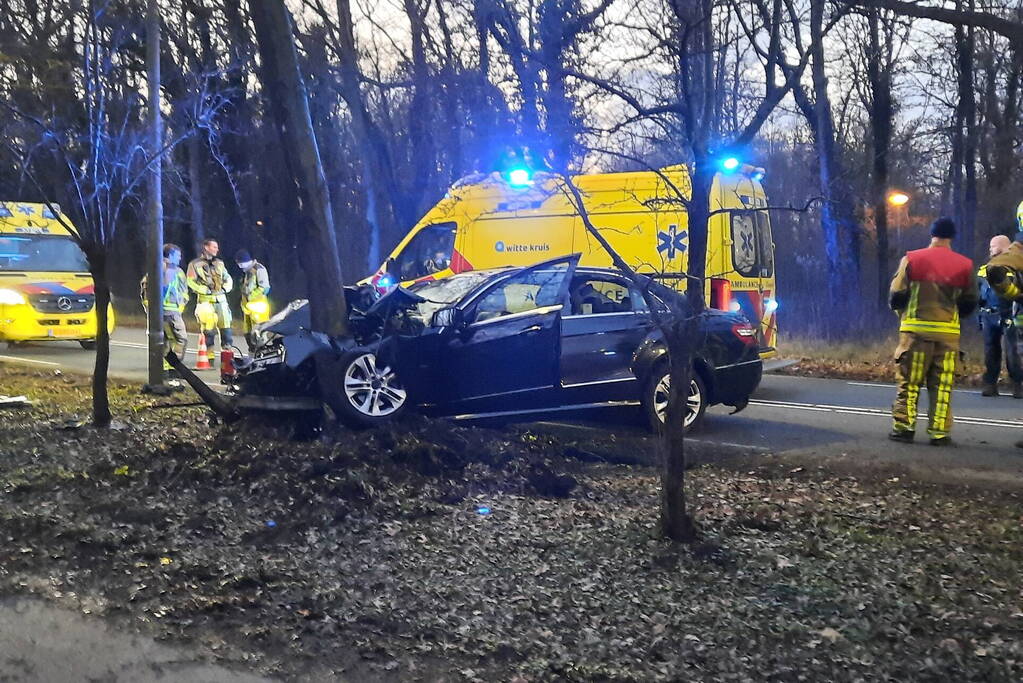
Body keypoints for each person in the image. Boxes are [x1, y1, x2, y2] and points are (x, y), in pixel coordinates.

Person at [889, 217, 978, 446]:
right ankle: (939, 433)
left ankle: (904, 429)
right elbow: (969, 303)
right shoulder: (965, 265)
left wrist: (902, 315)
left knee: (909, 384)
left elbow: (897, 295)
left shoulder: (912, 259)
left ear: (932, 234)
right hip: (948, 338)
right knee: (942, 387)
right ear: (952, 236)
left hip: (915, 335)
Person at [977, 235, 1022, 397]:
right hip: (989, 314)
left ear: (1004, 247)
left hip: (1009, 312)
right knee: (991, 350)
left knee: (1013, 350)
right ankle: (990, 383)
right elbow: (979, 291)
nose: (990, 249)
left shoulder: (1012, 266)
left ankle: (1018, 384)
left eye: (993, 246)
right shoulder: (984, 268)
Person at [140, 243, 189, 377]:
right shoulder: (173, 271)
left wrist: (150, 311)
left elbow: (145, 291)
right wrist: (180, 307)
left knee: (166, 341)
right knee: (181, 339)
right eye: (178, 255)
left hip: (161, 313)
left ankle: (165, 369)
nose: (180, 258)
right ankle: (174, 367)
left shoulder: (155, 269)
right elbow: (183, 291)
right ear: (171, 255)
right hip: (171, 312)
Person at [186, 238, 233, 366]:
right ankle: (209, 358)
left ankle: (227, 357)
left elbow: (227, 278)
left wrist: (225, 288)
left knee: (226, 329)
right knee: (208, 331)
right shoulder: (194, 264)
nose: (217, 249)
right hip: (205, 302)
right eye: (214, 247)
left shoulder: (220, 263)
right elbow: (190, 281)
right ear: (206, 247)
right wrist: (203, 290)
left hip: (221, 300)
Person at [235, 248, 270, 352]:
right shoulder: (247, 272)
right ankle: (252, 355)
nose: (239, 266)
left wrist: (251, 296)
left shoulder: (259, 269)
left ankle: (262, 356)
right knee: (248, 334)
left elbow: (265, 288)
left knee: (259, 333)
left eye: (240, 263)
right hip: (248, 308)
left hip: (259, 308)